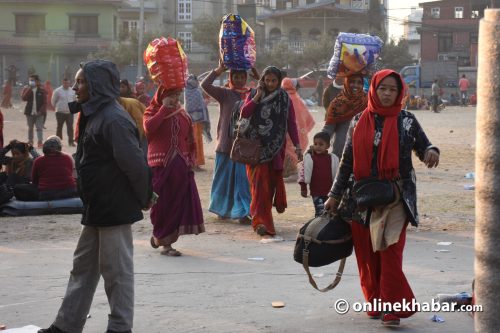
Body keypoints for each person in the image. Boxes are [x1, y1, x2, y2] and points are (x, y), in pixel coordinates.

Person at [38, 60, 153, 333]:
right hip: (96, 206)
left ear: (97, 85)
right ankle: (66, 325)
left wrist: (144, 195)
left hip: (113, 207)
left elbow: (134, 164)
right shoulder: (94, 113)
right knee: (83, 268)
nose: (76, 87)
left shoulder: (113, 118)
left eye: (81, 82)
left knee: (117, 273)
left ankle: (120, 327)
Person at [324, 69, 440, 327]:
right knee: (366, 255)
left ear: (400, 93)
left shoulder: (407, 120)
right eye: (382, 88)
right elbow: (347, 163)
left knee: (389, 253)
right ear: (373, 90)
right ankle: (375, 300)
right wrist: (334, 194)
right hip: (361, 200)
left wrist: (432, 152)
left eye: (393, 89)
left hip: (395, 198)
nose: (387, 94)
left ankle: (392, 308)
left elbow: (424, 146)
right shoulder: (357, 121)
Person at [240, 66, 302, 237]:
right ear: (263, 80)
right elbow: (244, 113)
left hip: (275, 149)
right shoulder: (253, 94)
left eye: (274, 80)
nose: (270, 83)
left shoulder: (284, 98)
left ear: (279, 80)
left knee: (270, 187)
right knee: (258, 186)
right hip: (255, 149)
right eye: (267, 80)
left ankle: (264, 219)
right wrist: (257, 97)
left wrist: (297, 145)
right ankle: (260, 222)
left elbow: (291, 123)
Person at [144, 86, 205, 256]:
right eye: (170, 94)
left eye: (176, 94)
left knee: (178, 204)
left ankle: (166, 242)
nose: (174, 98)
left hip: (181, 167)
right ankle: (161, 239)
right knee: (161, 205)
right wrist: (163, 108)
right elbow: (149, 129)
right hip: (160, 166)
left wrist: (191, 159)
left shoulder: (182, 113)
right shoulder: (151, 111)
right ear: (161, 95)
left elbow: (189, 139)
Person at [201, 60, 256, 223]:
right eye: (236, 77)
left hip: (243, 146)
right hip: (225, 144)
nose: (239, 80)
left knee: (243, 181)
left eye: (242, 77)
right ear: (231, 77)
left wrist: (258, 75)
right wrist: (218, 70)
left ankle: (242, 212)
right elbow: (204, 85)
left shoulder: (252, 94)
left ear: (246, 78)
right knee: (222, 180)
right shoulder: (224, 94)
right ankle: (221, 209)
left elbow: (269, 91)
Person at [15, 136, 77, 201]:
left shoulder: (38, 160)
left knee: (17, 187)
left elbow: (34, 181)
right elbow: (70, 174)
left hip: (47, 194)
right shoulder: (67, 158)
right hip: (70, 192)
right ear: (59, 148)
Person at [322, 73, 367, 158]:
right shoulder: (337, 103)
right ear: (346, 82)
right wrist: (319, 143)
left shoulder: (367, 101)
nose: (356, 85)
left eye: (359, 82)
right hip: (340, 153)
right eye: (352, 81)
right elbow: (328, 128)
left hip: (361, 150)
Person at [298, 131, 339, 217]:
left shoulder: (332, 159)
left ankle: (326, 229)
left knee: (330, 213)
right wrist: (303, 188)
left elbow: (338, 176)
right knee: (320, 211)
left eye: (321, 144)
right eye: (315, 144)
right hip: (316, 192)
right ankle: (318, 229)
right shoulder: (310, 158)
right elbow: (303, 173)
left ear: (327, 146)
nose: (318, 147)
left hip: (329, 193)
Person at [281, 78, 315, 179]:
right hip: (298, 132)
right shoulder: (297, 98)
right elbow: (305, 116)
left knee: (286, 151)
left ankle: (289, 172)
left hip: (286, 131)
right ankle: (292, 171)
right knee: (293, 151)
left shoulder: (282, 98)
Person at [185, 74, 212, 170]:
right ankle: (195, 163)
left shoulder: (189, 91)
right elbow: (196, 106)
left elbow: (197, 105)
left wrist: (204, 103)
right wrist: (205, 103)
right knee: (196, 141)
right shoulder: (194, 91)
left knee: (196, 141)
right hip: (194, 121)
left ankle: (195, 163)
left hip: (193, 121)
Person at [21, 74, 47, 148]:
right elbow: (24, 98)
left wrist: (41, 111)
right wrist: (30, 89)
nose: (31, 82)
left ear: (37, 81)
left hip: (39, 113)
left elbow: (45, 103)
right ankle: (30, 141)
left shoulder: (42, 90)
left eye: (33, 80)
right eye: (30, 80)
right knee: (30, 128)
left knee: (39, 128)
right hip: (29, 113)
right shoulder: (26, 89)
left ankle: (40, 142)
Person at [52, 78, 76, 146]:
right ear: (63, 83)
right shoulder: (57, 91)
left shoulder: (72, 91)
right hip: (60, 112)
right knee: (59, 127)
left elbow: (75, 99)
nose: (66, 84)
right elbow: (53, 101)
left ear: (69, 83)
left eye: (68, 83)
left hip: (69, 112)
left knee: (70, 128)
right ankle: (58, 143)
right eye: (65, 83)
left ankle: (71, 142)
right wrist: (57, 107)